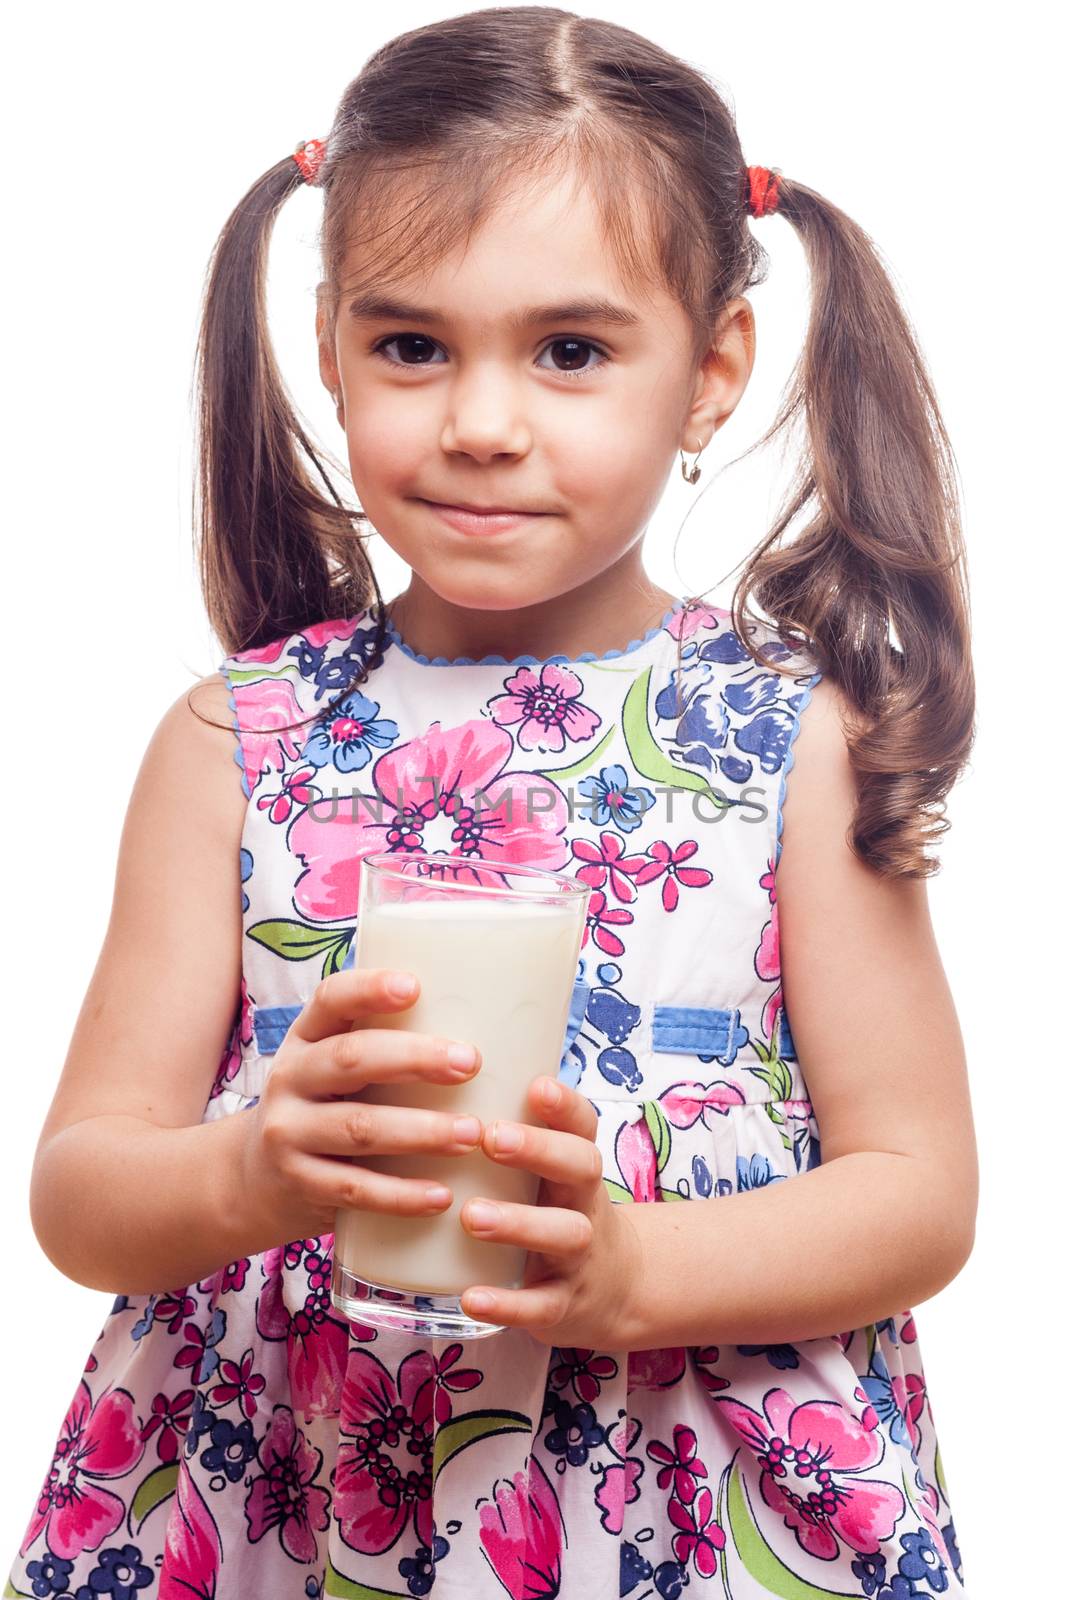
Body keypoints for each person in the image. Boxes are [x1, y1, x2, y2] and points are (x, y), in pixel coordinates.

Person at [9, 9, 979, 1598]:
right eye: (412, 346)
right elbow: (83, 1194)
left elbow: (919, 1191)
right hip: (299, 1499)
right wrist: (250, 1172)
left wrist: (640, 1270)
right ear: (330, 345)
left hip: (684, 1497)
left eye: (572, 350)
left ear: (712, 371)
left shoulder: (785, 740)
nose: (479, 420)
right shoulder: (233, 740)